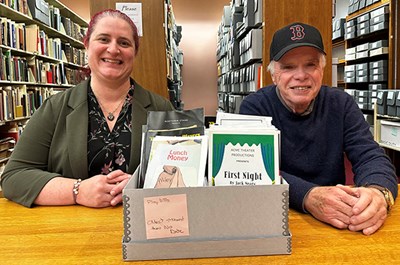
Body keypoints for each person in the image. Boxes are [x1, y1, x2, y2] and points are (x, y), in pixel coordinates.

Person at [0, 9, 174, 208]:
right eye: (104, 39)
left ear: (134, 52)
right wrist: (77, 190)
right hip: (74, 233)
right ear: (87, 46)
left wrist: (143, 187)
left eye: (124, 43)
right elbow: (14, 177)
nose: (113, 49)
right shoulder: (55, 109)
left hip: (145, 228)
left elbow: (188, 175)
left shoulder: (163, 110)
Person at [239, 22, 398, 235]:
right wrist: (307, 195)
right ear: (273, 73)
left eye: (310, 65)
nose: (301, 75)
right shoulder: (254, 107)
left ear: (322, 69)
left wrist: (378, 193)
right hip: (278, 217)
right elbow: (253, 170)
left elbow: (370, 155)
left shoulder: (341, 104)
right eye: (288, 67)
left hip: (338, 222)